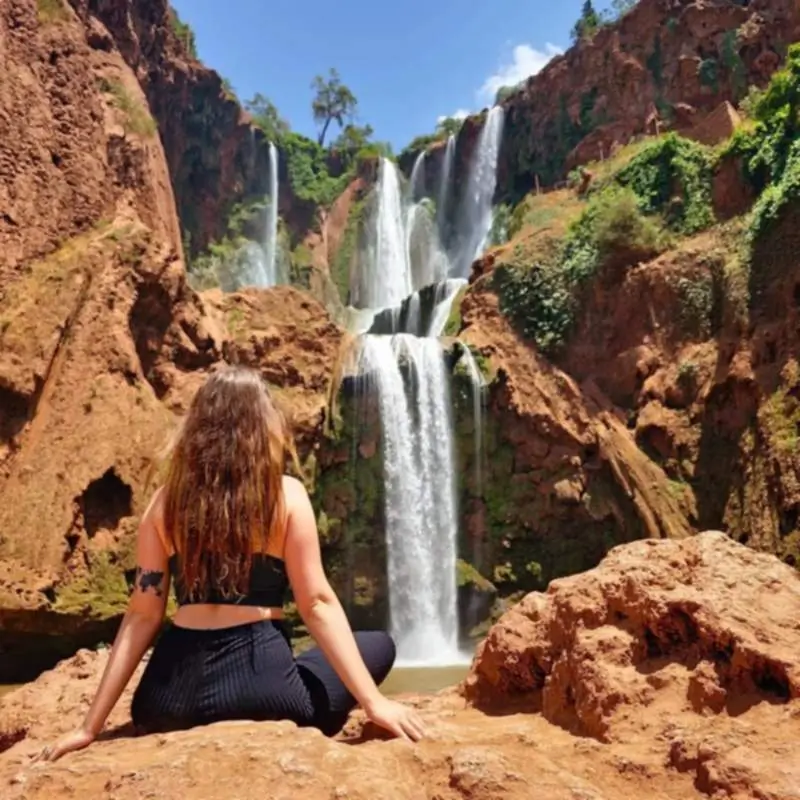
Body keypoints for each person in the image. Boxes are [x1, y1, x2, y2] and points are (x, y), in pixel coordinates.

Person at [39, 366, 426, 762]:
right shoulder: (284, 495)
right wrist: (374, 702)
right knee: (378, 644)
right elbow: (316, 604)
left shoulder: (164, 504)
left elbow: (142, 614)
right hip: (262, 689)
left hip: (168, 700)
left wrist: (89, 728)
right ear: (262, 426)